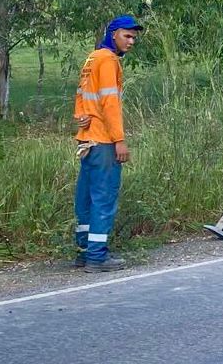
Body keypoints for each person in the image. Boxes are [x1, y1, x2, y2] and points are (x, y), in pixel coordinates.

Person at [72, 15, 145, 271]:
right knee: (104, 198)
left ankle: (84, 251)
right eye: (127, 35)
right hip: (103, 141)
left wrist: (80, 119)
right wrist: (120, 140)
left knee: (85, 199)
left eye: (134, 37)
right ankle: (97, 256)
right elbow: (110, 103)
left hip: (87, 140)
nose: (131, 41)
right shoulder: (108, 60)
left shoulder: (92, 58)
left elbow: (81, 96)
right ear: (113, 34)